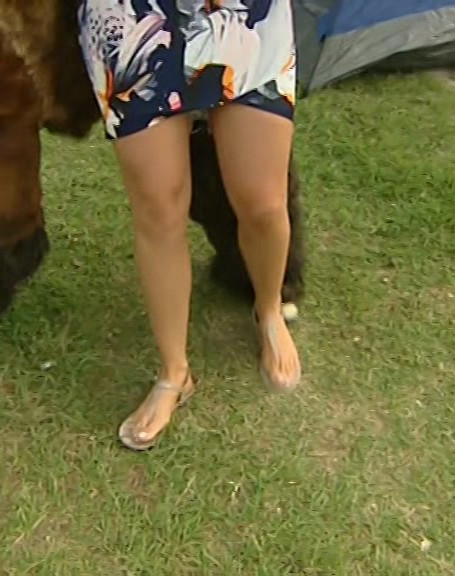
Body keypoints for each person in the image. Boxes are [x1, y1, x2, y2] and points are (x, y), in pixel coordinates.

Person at [78, 0, 302, 450]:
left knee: (262, 202)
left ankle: (269, 309)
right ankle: (174, 372)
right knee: (159, 211)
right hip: (134, 15)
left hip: (245, 13)